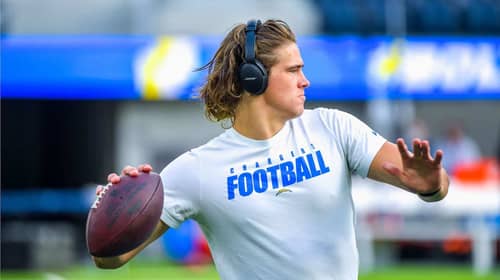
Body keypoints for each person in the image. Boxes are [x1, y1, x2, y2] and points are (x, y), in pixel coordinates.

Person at [91, 19, 449, 279]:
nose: (304, 80)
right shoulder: (195, 171)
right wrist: (110, 211)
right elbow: (111, 257)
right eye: (293, 70)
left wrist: (431, 183)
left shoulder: (333, 128)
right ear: (254, 78)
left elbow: (431, 186)